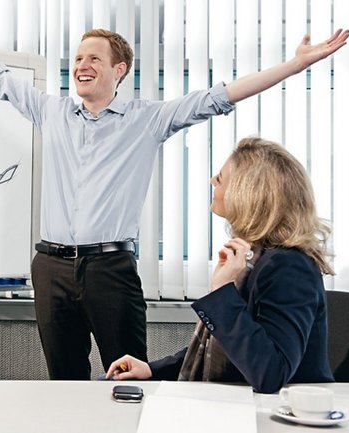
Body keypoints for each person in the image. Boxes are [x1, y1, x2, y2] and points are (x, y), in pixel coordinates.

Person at [0, 21, 349, 380]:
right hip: (50, 266)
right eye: (76, 58)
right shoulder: (49, 112)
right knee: (64, 379)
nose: (81, 65)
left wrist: (295, 65)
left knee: (129, 378)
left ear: (119, 70)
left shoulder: (147, 120)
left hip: (110, 268)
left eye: (93, 58)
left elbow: (222, 95)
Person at [105, 137, 335, 393]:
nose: (212, 181)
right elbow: (224, 347)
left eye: (221, 178)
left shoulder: (289, 267)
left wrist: (222, 292)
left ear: (248, 191)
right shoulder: (257, 256)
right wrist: (152, 369)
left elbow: (271, 373)